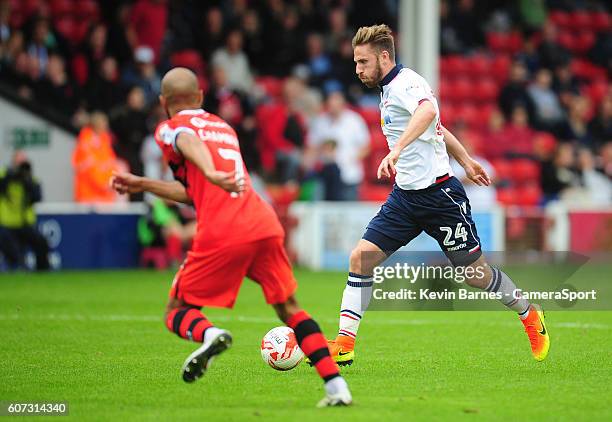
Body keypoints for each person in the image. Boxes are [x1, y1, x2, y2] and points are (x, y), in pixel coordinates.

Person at [109, 67, 352, 407]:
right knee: (289, 308)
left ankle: (210, 334)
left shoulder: (168, 127)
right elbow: (194, 191)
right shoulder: (223, 127)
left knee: (176, 310)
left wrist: (209, 172)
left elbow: (187, 141)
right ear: (200, 98)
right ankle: (336, 388)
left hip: (224, 228)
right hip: (262, 221)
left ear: (164, 102)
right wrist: (145, 184)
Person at [325, 25, 549, 367]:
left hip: (440, 196)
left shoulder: (406, 83)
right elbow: (437, 128)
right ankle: (344, 344)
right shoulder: (388, 88)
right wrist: (466, 159)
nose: (357, 69)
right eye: (356, 62)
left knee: (476, 275)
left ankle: (529, 313)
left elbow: (428, 112)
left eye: (362, 62)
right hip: (405, 198)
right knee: (360, 258)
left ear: (384, 57)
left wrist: (396, 150)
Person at [0, 151, 50, 271]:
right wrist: (10, 177)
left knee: (42, 243)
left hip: (25, 224)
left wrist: (27, 182)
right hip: (6, 224)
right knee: (13, 250)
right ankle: (19, 268)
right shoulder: (4, 175)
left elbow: (37, 197)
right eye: (18, 162)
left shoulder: (31, 179)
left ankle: (42, 271)